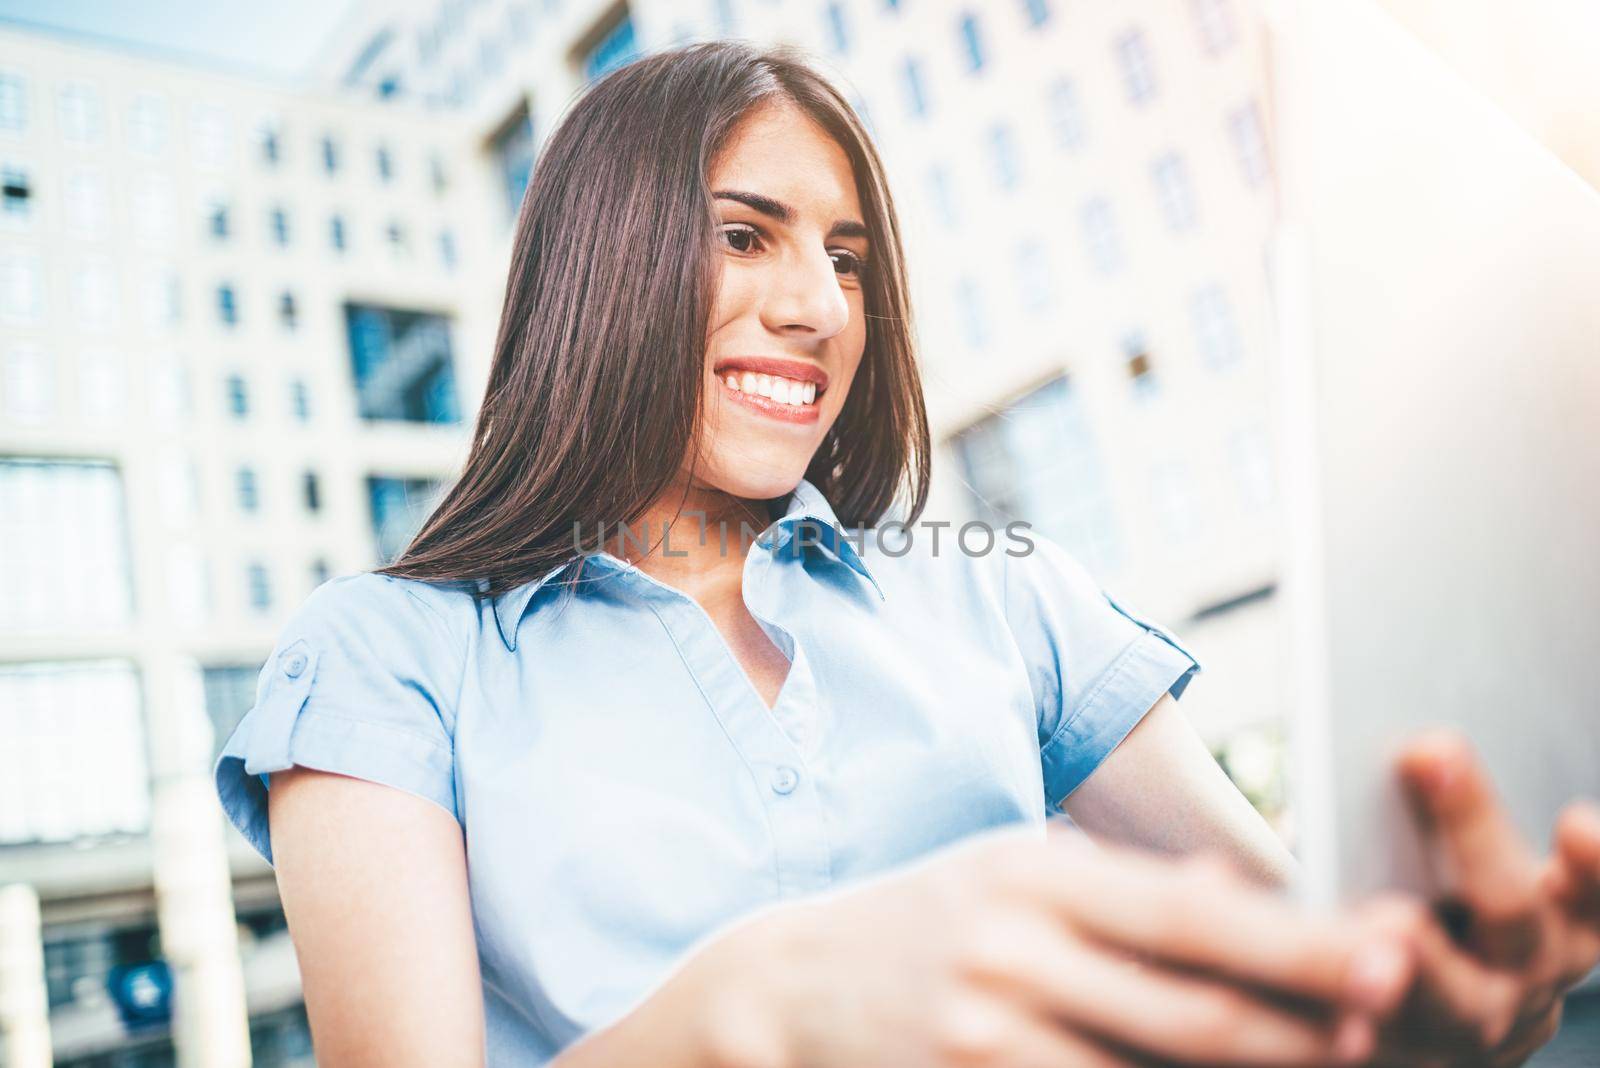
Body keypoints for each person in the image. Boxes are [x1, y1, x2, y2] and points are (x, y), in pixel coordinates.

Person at [213, 41, 1600, 1067]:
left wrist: (1455, 993)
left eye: (852, 260)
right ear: (603, 271)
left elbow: (1323, 969)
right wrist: (751, 1013)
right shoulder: (387, 659)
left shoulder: (1004, 593)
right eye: (745, 236)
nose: (819, 305)